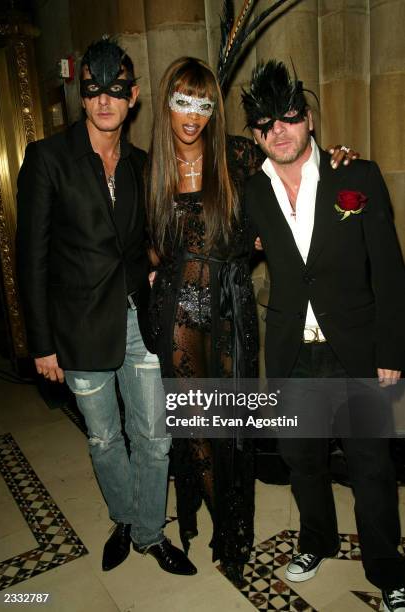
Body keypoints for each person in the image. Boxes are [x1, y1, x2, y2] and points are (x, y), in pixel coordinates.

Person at [146, 56, 355, 587]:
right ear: (166, 103)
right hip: (178, 315)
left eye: (203, 103)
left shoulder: (238, 156)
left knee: (233, 429)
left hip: (231, 308)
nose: (192, 115)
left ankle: (233, 532)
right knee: (197, 427)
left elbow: (295, 175)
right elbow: (142, 244)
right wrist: (152, 275)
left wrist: (338, 160)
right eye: (182, 101)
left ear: (214, 108)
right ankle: (216, 520)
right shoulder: (150, 168)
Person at [16, 38, 195, 577]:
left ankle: (147, 532)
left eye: (115, 90)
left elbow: (153, 238)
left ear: (133, 96)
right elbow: (33, 259)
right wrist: (42, 344)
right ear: (82, 95)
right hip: (76, 329)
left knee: (155, 435)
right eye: (93, 90)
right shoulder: (48, 158)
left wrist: (160, 264)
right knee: (103, 436)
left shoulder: (143, 164)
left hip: (140, 320)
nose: (103, 101)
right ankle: (123, 517)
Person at [243, 59, 405, 611]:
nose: (278, 132)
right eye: (265, 125)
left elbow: (389, 271)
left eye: (288, 118)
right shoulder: (253, 193)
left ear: (308, 119)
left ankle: (388, 570)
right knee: (302, 462)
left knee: (372, 470)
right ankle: (316, 541)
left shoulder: (354, 176)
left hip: (358, 352)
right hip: (292, 355)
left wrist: (392, 351)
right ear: (256, 134)